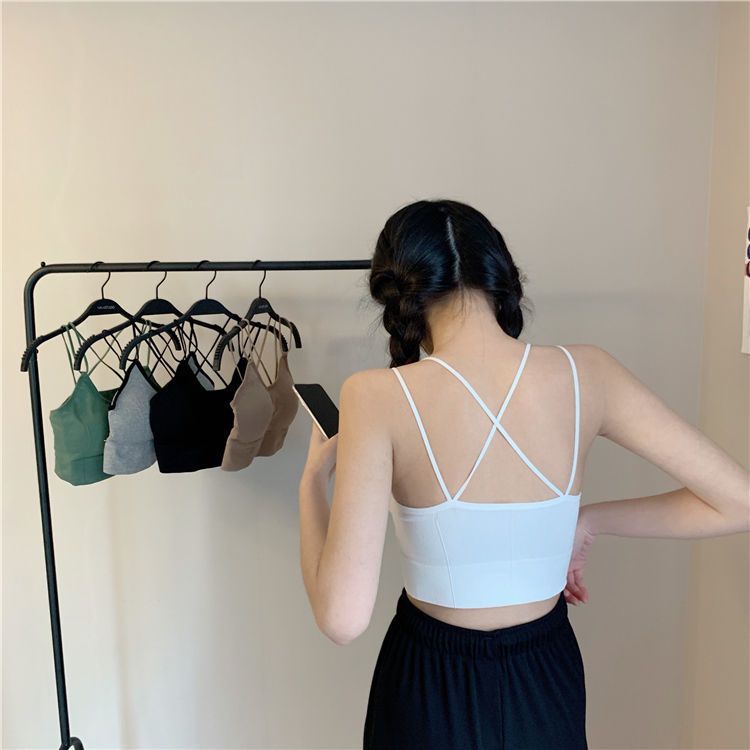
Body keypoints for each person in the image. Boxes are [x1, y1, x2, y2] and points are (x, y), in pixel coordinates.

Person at [298, 198, 749, 750]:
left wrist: (312, 484)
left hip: (428, 685)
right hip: (546, 676)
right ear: (499, 275)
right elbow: (739, 501)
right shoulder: (590, 373)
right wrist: (589, 521)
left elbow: (341, 620)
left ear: (399, 291)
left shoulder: (375, 395)